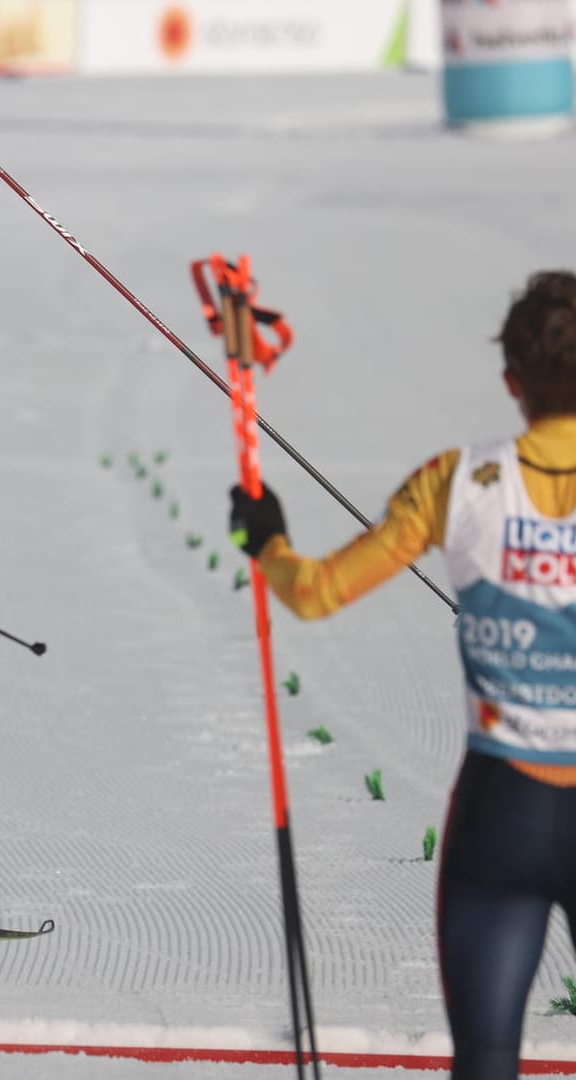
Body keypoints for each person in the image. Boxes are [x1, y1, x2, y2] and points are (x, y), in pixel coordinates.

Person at [228, 270, 576, 1080]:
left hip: (503, 812)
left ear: (512, 382)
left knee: (486, 1063)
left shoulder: (459, 481)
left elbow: (314, 595)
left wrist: (268, 538)